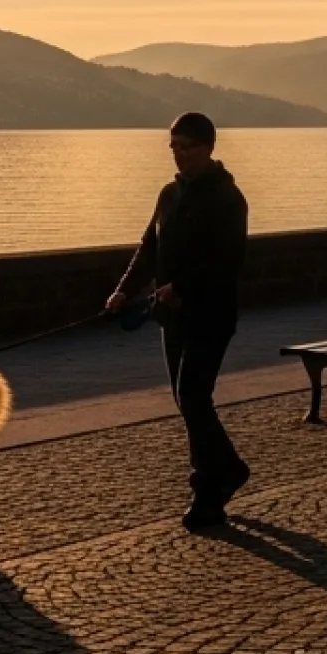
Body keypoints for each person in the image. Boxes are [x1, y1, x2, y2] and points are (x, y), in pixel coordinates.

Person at [107, 112, 250, 530]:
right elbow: (149, 249)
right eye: (174, 146)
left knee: (193, 396)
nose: (180, 154)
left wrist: (181, 286)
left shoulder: (228, 198)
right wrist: (124, 290)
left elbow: (227, 261)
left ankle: (216, 480)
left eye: (188, 147)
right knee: (186, 400)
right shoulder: (168, 194)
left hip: (212, 315)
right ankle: (215, 480)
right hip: (172, 317)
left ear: (209, 148)